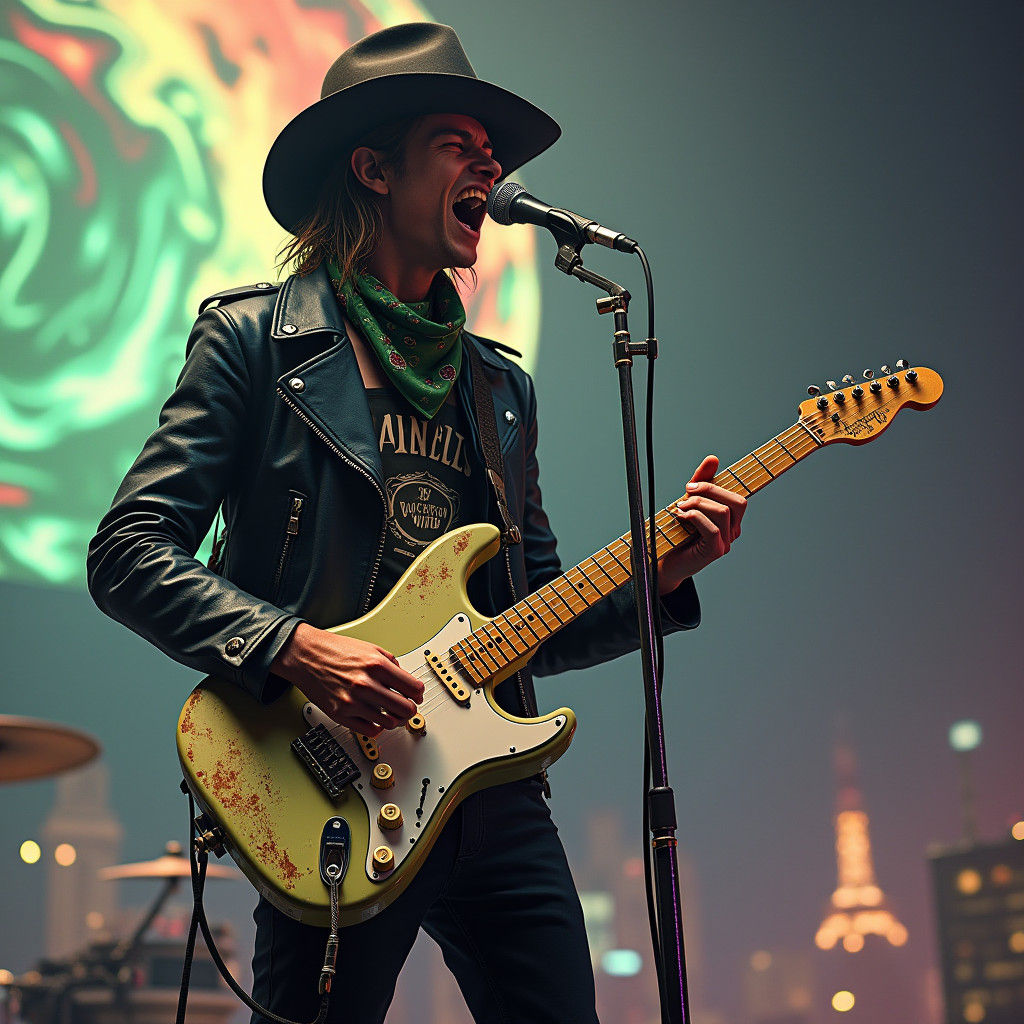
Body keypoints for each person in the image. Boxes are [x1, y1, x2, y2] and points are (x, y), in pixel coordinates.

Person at [87, 22, 746, 1024]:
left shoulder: (498, 387)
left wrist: (659, 573)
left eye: (494, 152)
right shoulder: (254, 340)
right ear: (372, 169)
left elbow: (532, 617)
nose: (491, 163)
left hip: (489, 793)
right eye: (457, 142)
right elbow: (128, 551)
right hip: (322, 779)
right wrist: (300, 650)